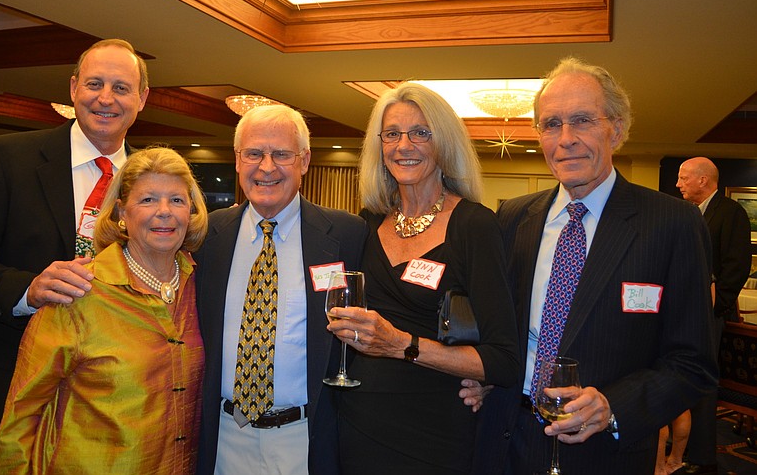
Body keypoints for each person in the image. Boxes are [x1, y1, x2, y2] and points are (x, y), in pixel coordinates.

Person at [466, 57, 718, 474]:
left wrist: (612, 407)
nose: (565, 139)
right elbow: (496, 327)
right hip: (505, 438)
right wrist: (485, 372)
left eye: (582, 120)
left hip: (604, 454)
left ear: (615, 129)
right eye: (551, 124)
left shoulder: (672, 223)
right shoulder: (512, 216)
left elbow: (692, 364)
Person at [0, 38, 149, 474]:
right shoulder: (8, 158)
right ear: (73, 89)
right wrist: (27, 289)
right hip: (14, 398)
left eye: (121, 87)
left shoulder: (153, 178)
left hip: (117, 414)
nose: (106, 98)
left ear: (142, 99)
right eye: (94, 83)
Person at [327, 82, 519, 474]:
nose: (404, 145)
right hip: (357, 424)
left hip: (433, 432)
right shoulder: (366, 222)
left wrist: (402, 345)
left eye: (421, 133)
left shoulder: (474, 226)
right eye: (393, 134)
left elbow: (504, 360)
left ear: (443, 144)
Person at [0, 147, 208, 474]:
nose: (164, 212)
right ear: (122, 212)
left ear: (191, 211)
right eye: (148, 200)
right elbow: (21, 415)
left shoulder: (203, 287)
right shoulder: (78, 293)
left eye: (177, 200)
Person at [193, 104, 367, 475]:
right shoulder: (206, 236)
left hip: (306, 438)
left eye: (282, 154)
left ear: (304, 161)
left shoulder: (348, 234)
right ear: (237, 161)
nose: (267, 167)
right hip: (224, 434)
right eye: (254, 153)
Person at [670, 156, 752, 475]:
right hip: (683, 311)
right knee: (681, 375)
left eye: (683, 178)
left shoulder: (731, 212)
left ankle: (703, 457)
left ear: (703, 180)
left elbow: (736, 266)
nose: (678, 184)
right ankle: (681, 445)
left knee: (702, 380)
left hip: (709, 314)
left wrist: (715, 308)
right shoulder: (688, 213)